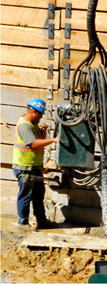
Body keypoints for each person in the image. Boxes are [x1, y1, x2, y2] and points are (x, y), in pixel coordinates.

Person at [12, 98, 58, 231]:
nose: (41, 116)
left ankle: (41, 220)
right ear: (33, 112)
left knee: (39, 192)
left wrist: (43, 132)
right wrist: (54, 140)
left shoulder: (33, 125)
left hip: (33, 166)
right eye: (40, 114)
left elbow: (39, 142)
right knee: (25, 193)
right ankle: (23, 222)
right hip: (24, 167)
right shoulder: (24, 125)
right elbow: (32, 143)